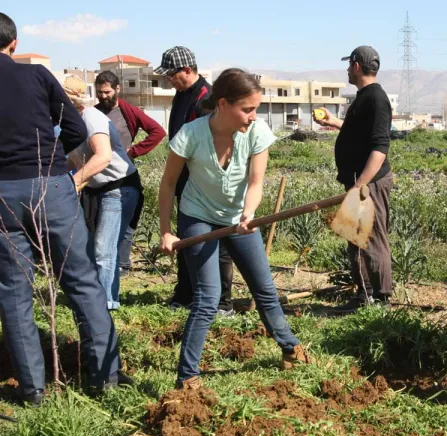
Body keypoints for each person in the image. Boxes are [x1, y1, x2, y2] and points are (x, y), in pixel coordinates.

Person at [0, 12, 126, 405]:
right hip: (52, 186)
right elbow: (75, 129)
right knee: (82, 279)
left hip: (2, 193)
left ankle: (34, 390)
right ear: (14, 43)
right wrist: (53, 160)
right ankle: (104, 379)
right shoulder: (37, 76)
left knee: (14, 290)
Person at [158, 68, 309, 388]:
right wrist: (166, 231)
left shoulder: (257, 133)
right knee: (208, 296)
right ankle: (188, 376)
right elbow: (168, 183)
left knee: (264, 288)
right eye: (248, 109)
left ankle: (291, 349)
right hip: (197, 215)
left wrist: (248, 214)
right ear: (223, 104)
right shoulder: (191, 134)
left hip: (240, 217)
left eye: (256, 108)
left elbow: (256, 183)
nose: (253, 116)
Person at [154, 46, 235, 316]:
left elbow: (214, 144)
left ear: (187, 70)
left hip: (204, 184)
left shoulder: (206, 98)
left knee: (217, 240)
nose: (168, 80)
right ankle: (186, 294)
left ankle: (222, 303)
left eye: (171, 75)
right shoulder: (182, 95)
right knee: (187, 238)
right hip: (185, 182)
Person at [312, 46, 393, 313]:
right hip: (358, 182)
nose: (347, 70)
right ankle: (364, 294)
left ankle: (380, 299)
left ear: (357, 66)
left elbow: (379, 149)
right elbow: (358, 132)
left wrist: (362, 186)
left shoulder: (376, 99)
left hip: (368, 183)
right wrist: (335, 122)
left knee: (372, 239)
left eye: (349, 65)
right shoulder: (364, 97)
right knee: (355, 237)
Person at [65, 75, 142, 310]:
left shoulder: (90, 118)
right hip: (96, 190)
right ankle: (94, 300)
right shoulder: (69, 122)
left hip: (119, 188)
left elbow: (103, 156)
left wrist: (74, 183)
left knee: (104, 249)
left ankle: (106, 304)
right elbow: (72, 159)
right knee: (89, 248)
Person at [95, 70, 166, 277]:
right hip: (100, 175)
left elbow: (158, 132)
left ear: (117, 89)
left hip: (124, 175)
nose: (103, 96)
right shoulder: (95, 112)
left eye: (107, 91)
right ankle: (108, 263)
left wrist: (133, 152)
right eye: (99, 92)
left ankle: (122, 265)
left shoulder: (129, 111)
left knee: (125, 221)